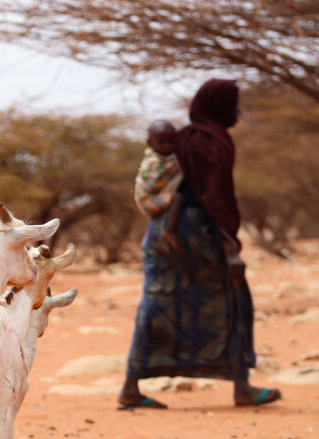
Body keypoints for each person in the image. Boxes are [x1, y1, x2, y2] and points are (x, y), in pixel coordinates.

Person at [118, 78, 282, 409]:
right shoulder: (211, 142)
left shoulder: (184, 139)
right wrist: (230, 249)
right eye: (233, 105)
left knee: (157, 304)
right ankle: (241, 387)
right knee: (230, 301)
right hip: (197, 235)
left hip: (159, 233)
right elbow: (212, 198)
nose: (237, 112)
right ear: (218, 107)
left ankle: (131, 386)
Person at [134, 120, 184, 252]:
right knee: (178, 198)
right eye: (161, 142)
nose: (166, 146)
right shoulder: (153, 161)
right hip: (148, 199)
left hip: (156, 199)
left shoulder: (167, 159)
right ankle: (170, 231)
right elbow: (151, 182)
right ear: (150, 143)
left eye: (170, 142)